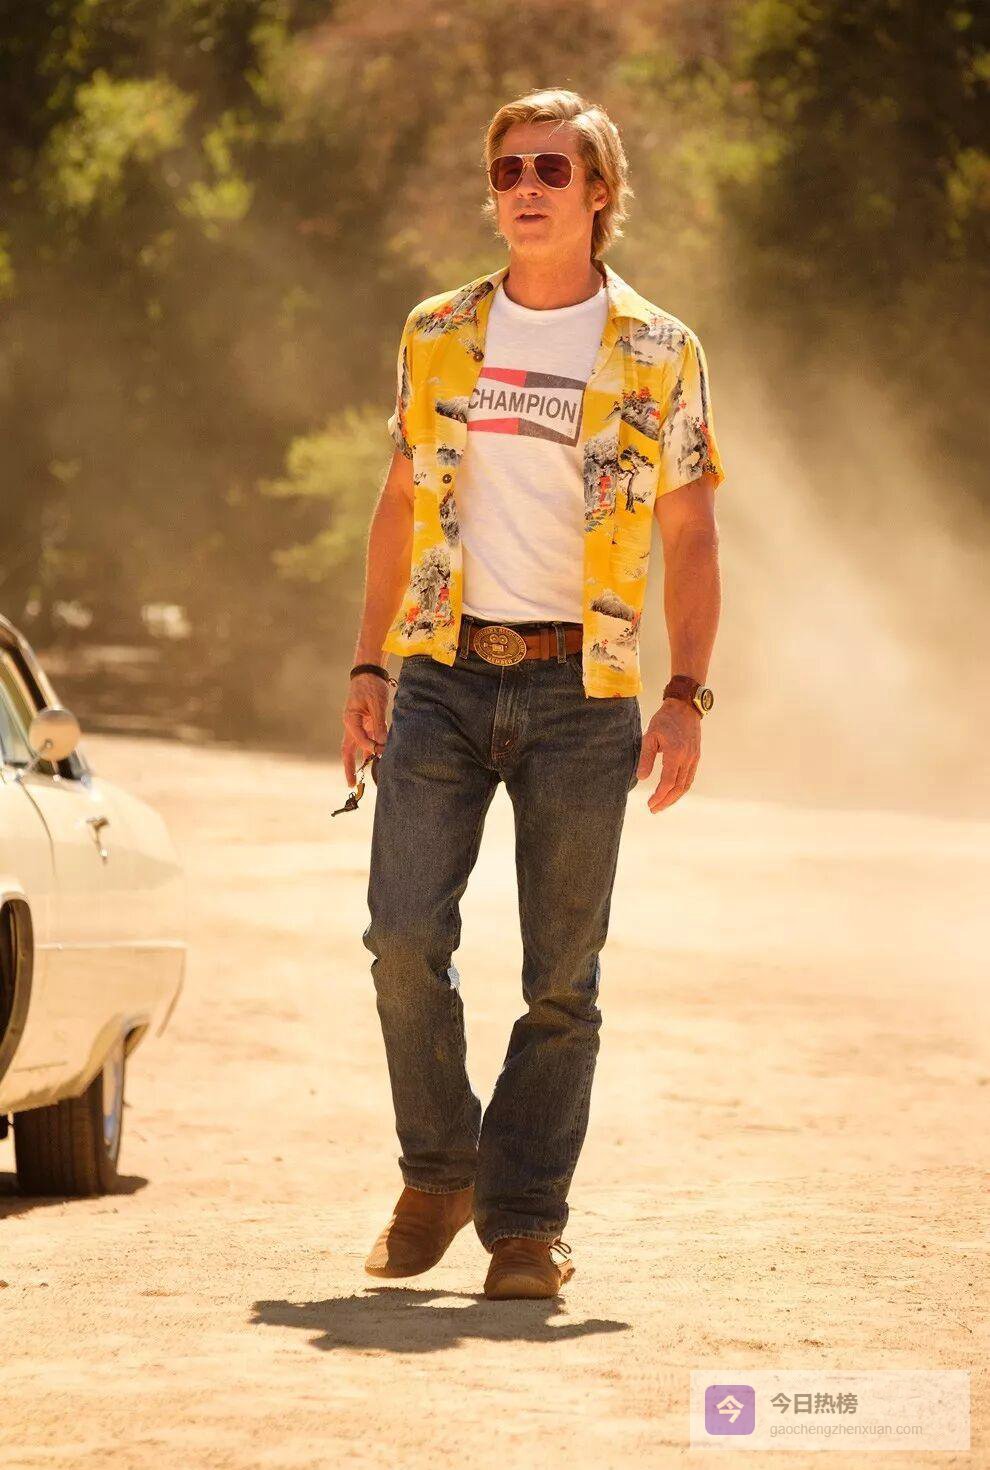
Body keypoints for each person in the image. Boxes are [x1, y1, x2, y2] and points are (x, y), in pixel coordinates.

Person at [343, 88, 726, 1301]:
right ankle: (439, 1171)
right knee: (403, 938)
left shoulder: (659, 350)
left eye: (553, 169)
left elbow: (692, 535)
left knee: (563, 977)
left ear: (600, 193)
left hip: (584, 687)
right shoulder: (438, 332)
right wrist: (367, 664)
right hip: (443, 673)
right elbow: (401, 500)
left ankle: (523, 1224)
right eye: (509, 168)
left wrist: (686, 693)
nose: (526, 187)